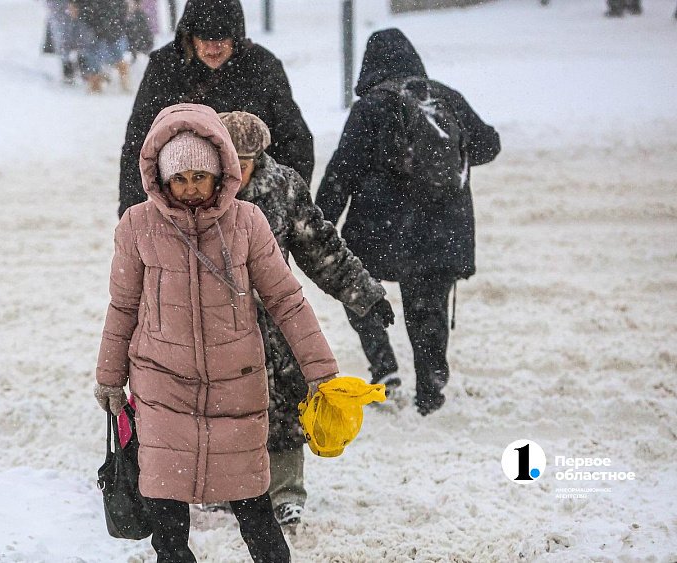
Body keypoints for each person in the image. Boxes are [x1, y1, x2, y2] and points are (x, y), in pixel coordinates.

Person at [95, 103, 340, 563]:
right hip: (162, 385)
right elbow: (123, 306)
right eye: (179, 179)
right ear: (161, 178)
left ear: (221, 172)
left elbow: (287, 300)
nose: (189, 190)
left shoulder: (247, 222)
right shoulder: (138, 225)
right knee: (167, 516)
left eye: (199, 178)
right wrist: (109, 377)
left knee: (253, 508)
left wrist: (321, 372)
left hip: (237, 386)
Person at [216, 111, 394, 526]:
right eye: (229, 165)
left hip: (275, 322)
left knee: (283, 404)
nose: (235, 176)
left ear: (259, 159)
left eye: (243, 166)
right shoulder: (199, 189)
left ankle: (287, 494)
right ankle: (221, 488)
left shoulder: (283, 188)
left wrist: (365, 294)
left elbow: (321, 247)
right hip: (216, 323)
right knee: (220, 406)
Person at [315, 29, 501, 417]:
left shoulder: (372, 106)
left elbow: (341, 171)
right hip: (443, 232)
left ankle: (384, 368)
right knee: (427, 311)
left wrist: (320, 224)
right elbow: (488, 145)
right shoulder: (444, 96)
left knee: (356, 289)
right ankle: (431, 392)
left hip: (381, 230)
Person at [117, 0, 313, 218]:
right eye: (204, 39)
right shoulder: (165, 68)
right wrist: (131, 212)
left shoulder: (262, 66)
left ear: (236, 36)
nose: (213, 49)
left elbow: (295, 140)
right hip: (184, 205)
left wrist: (289, 206)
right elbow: (139, 142)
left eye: (221, 39)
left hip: (252, 209)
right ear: (189, 37)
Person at [70, 0, 131, 93]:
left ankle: (121, 79)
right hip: (94, 15)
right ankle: (96, 81)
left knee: (113, 49)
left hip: (107, 15)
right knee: (95, 50)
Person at [43, 0, 81, 84]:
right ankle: (68, 66)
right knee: (63, 36)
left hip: (69, 8)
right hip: (59, 8)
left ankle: (72, 65)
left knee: (72, 35)